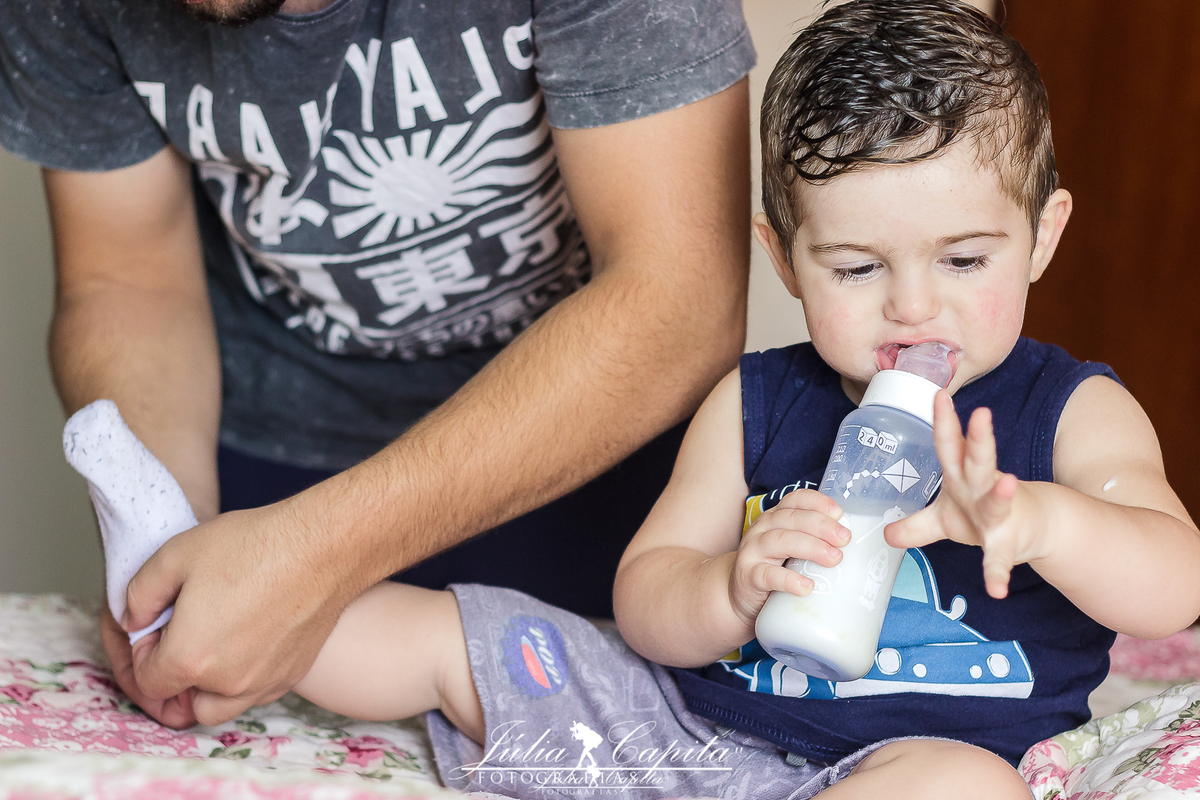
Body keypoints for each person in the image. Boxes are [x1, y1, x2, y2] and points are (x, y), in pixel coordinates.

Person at [279, 1, 1200, 797]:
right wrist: (728, 586)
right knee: (452, 632)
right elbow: (644, 594)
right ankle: (207, 625)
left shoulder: (1068, 409)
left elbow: (1174, 582)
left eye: (964, 260)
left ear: (1042, 238)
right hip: (690, 744)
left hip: (916, 761)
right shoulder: (755, 400)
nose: (913, 305)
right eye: (854, 267)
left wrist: (1039, 522)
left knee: (966, 790)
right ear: (784, 258)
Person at [0, 0, 755, 728]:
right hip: (266, 481)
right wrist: (165, 543)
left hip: (583, 455)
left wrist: (319, 554)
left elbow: (679, 301)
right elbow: (126, 281)